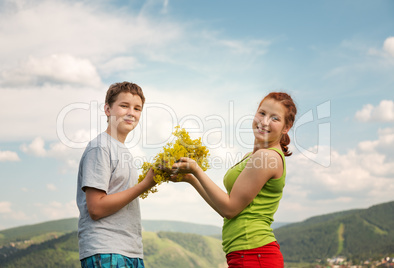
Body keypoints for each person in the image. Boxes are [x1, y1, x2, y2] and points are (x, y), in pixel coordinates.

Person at [170, 92, 297, 268]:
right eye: (262, 113)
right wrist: (191, 179)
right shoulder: (252, 156)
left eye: (275, 118)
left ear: (286, 127)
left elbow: (230, 209)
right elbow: (226, 208)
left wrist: (197, 170)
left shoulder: (267, 157)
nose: (264, 122)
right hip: (245, 253)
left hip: (255, 254)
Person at [76, 82, 156, 268]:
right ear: (107, 109)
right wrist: (145, 184)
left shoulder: (123, 151)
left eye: (137, 108)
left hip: (130, 250)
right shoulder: (100, 147)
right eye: (124, 105)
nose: (131, 112)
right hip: (106, 250)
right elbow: (96, 208)